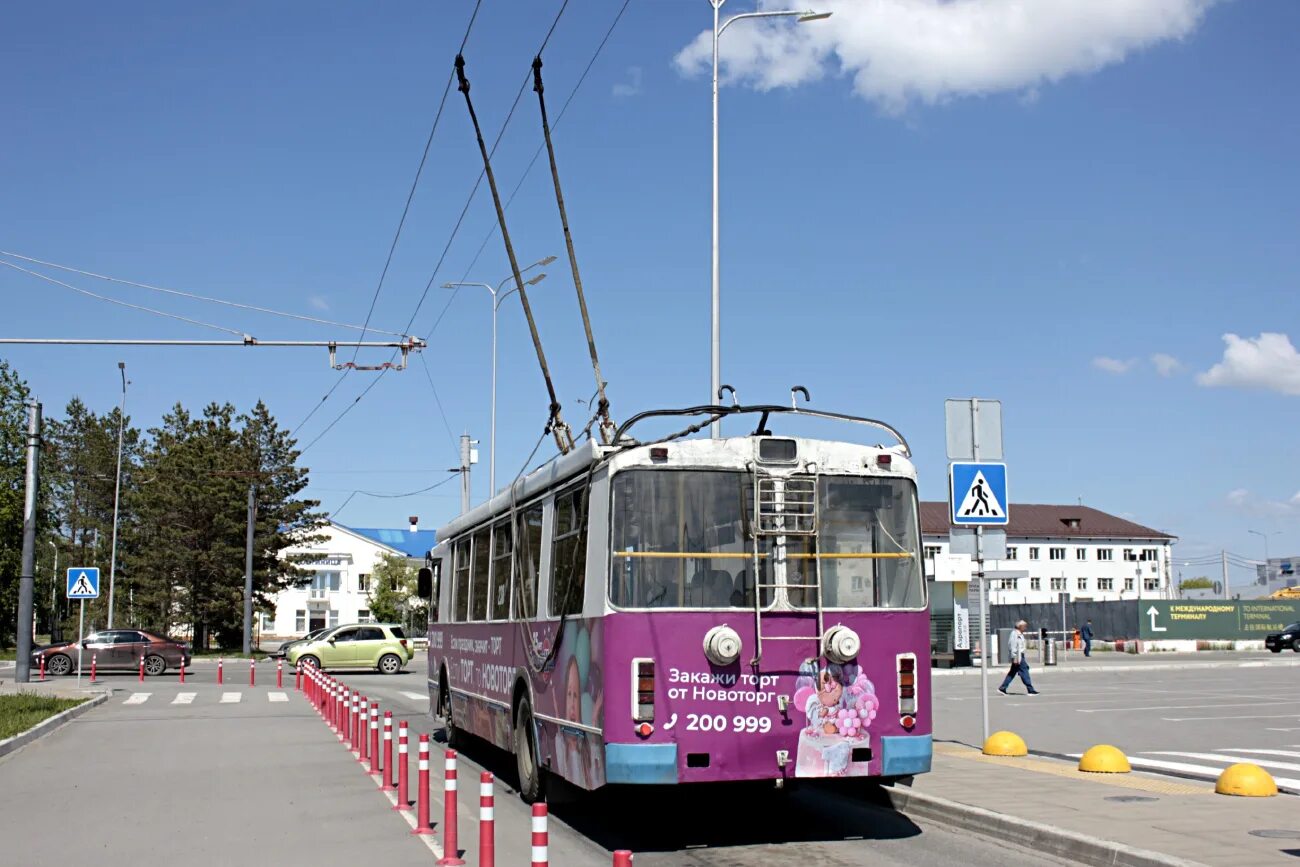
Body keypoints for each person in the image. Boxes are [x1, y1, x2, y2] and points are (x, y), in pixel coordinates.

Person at [998, 620, 1039, 695]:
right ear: (1020, 627)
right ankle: (1030, 689)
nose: (1025, 628)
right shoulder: (1015, 634)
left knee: (1012, 672)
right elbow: (1013, 646)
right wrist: (1014, 657)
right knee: (1024, 671)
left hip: (1020, 655)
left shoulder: (1020, 634)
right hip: (1018, 656)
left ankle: (1002, 688)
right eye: (1024, 626)